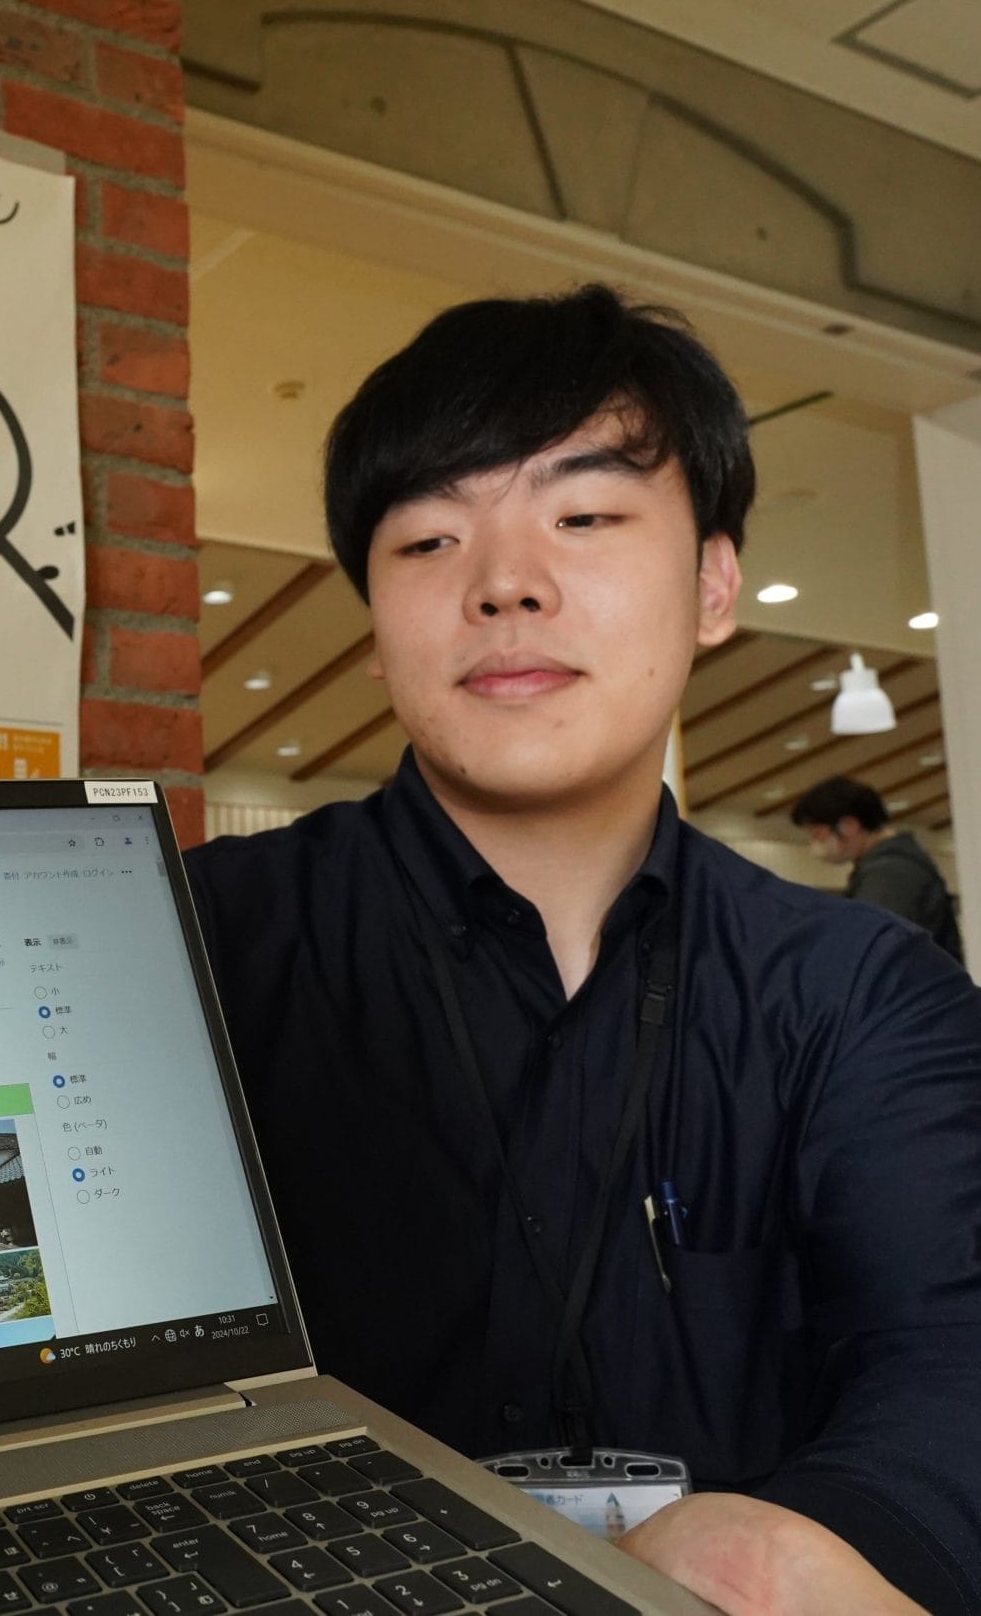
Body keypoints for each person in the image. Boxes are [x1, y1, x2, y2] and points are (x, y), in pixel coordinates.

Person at [185, 286, 981, 1615]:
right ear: (375, 619)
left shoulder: (861, 992)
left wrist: (793, 1554)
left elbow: (948, 1343)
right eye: (429, 538)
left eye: (585, 517)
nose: (504, 581)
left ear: (713, 584)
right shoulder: (201, 948)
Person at [791, 775, 964, 964]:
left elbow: (874, 949)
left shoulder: (888, 875)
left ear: (849, 825)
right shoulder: (892, 865)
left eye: (817, 834)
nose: (814, 843)